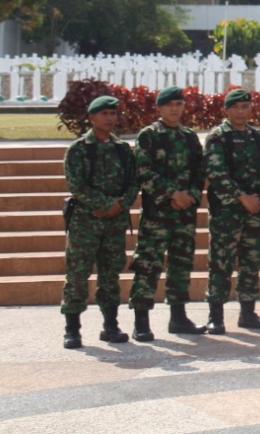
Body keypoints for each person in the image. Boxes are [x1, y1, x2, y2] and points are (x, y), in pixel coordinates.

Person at [128, 86, 207, 341]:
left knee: (180, 265)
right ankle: (141, 321)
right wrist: (173, 194)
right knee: (148, 265)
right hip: (157, 213)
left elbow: (199, 171)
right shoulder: (148, 136)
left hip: (184, 214)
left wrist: (191, 196)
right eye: (170, 104)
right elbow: (143, 171)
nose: (175, 109)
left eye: (179, 104)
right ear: (159, 108)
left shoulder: (189, 137)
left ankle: (178, 317)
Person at [60, 95, 138, 349]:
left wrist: (120, 205)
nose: (110, 118)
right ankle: (72, 329)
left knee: (110, 275)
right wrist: (105, 205)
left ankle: (111, 326)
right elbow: (76, 185)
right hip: (86, 222)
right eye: (104, 114)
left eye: (113, 114)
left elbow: (133, 183)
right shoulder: (80, 149)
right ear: (92, 117)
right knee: (78, 274)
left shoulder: (122, 150)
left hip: (114, 223)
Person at [204, 89, 260, 334]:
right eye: (236, 107)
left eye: (245, 107)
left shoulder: (258, 138)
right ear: (226, 110)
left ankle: (248, 312)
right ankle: (216, 315)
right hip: (227, 213)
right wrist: (241, 197)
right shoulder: (217, 137)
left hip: (255, 211)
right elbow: (216, 173)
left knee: (251, 262)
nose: (241, 112)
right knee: (221, 263)